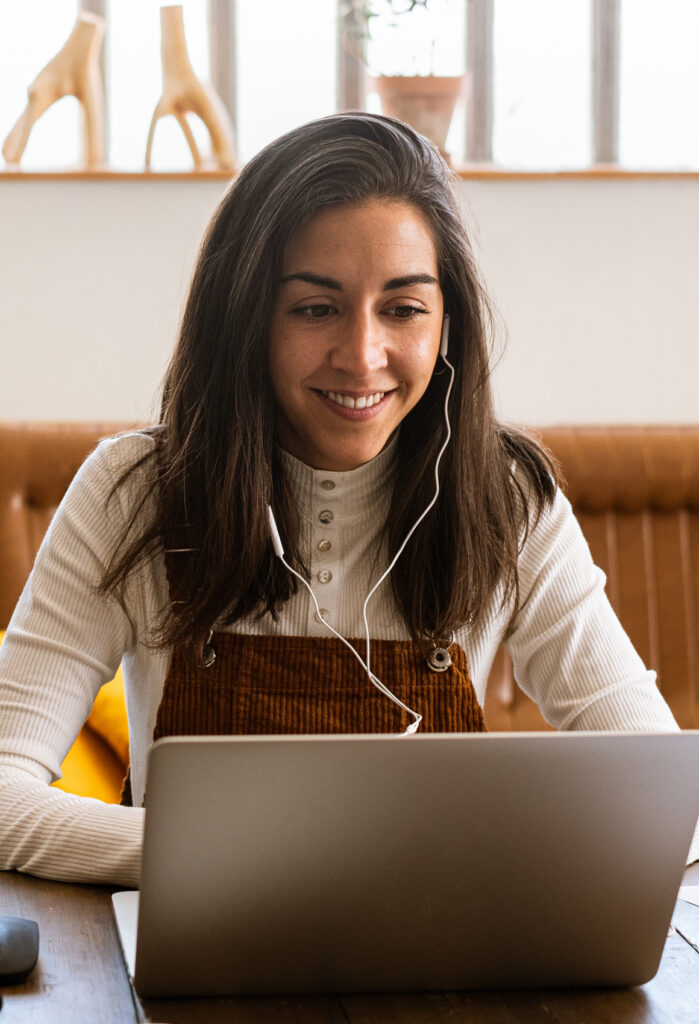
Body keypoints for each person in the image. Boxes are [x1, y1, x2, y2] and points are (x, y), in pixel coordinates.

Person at [0, 113, 680, 887]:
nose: (362, 356)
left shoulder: (508, 500)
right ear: (245, 319)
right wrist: (227, 860)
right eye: (315, 308)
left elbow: (662, 801)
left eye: (403, 308)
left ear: (446, 324)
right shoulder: (132, 492)